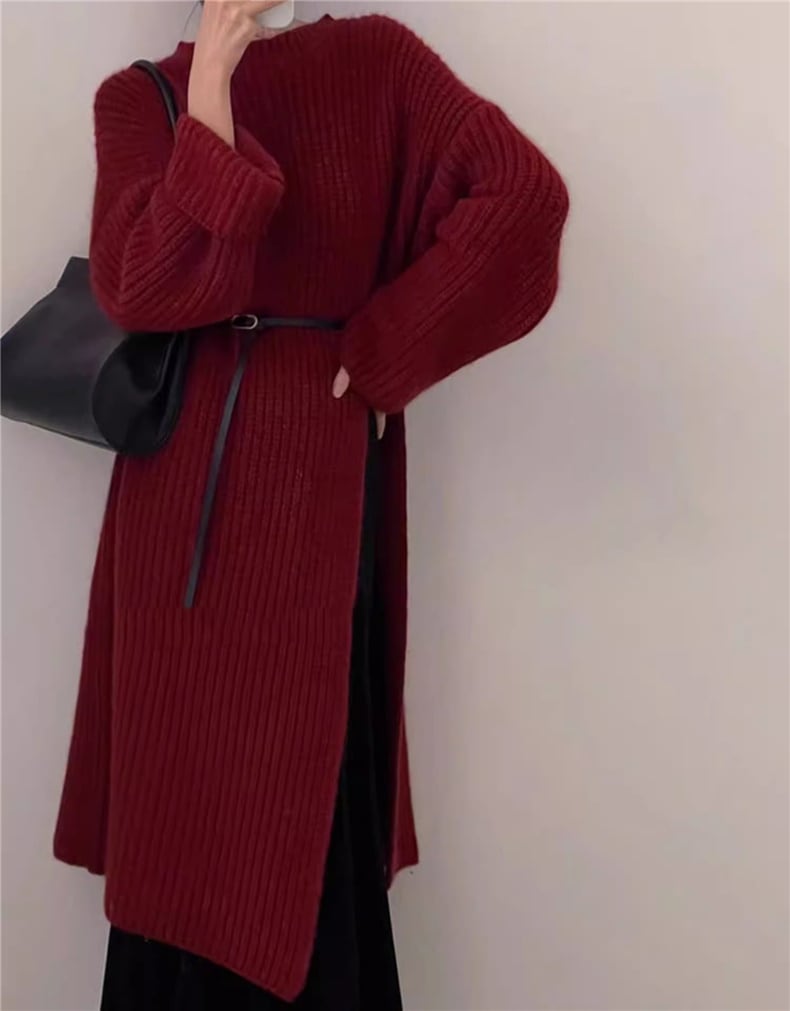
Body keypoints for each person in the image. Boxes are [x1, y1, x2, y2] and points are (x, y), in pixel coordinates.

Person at [52, 2, 570, 1007]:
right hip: (177, 498)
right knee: (180, 798)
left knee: (298, 781)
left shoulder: (377, 60)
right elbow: (144, 290)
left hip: (311, 477)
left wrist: (384, 352)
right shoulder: (139, 98)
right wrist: (211, 93)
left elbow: (522, 200)